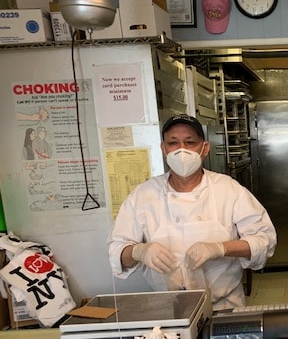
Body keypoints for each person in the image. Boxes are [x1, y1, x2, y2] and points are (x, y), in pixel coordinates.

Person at [107, 114, 277, 310]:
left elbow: (265, 240)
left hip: (224, 307)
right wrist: (139, 251)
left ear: (204, 148)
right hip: (167, 310)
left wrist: (221, 248)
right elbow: (116, 252)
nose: (182, 150)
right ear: (163, 149)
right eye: (173, 143)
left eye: (190, 142)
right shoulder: (143, 195)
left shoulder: (228, 189)